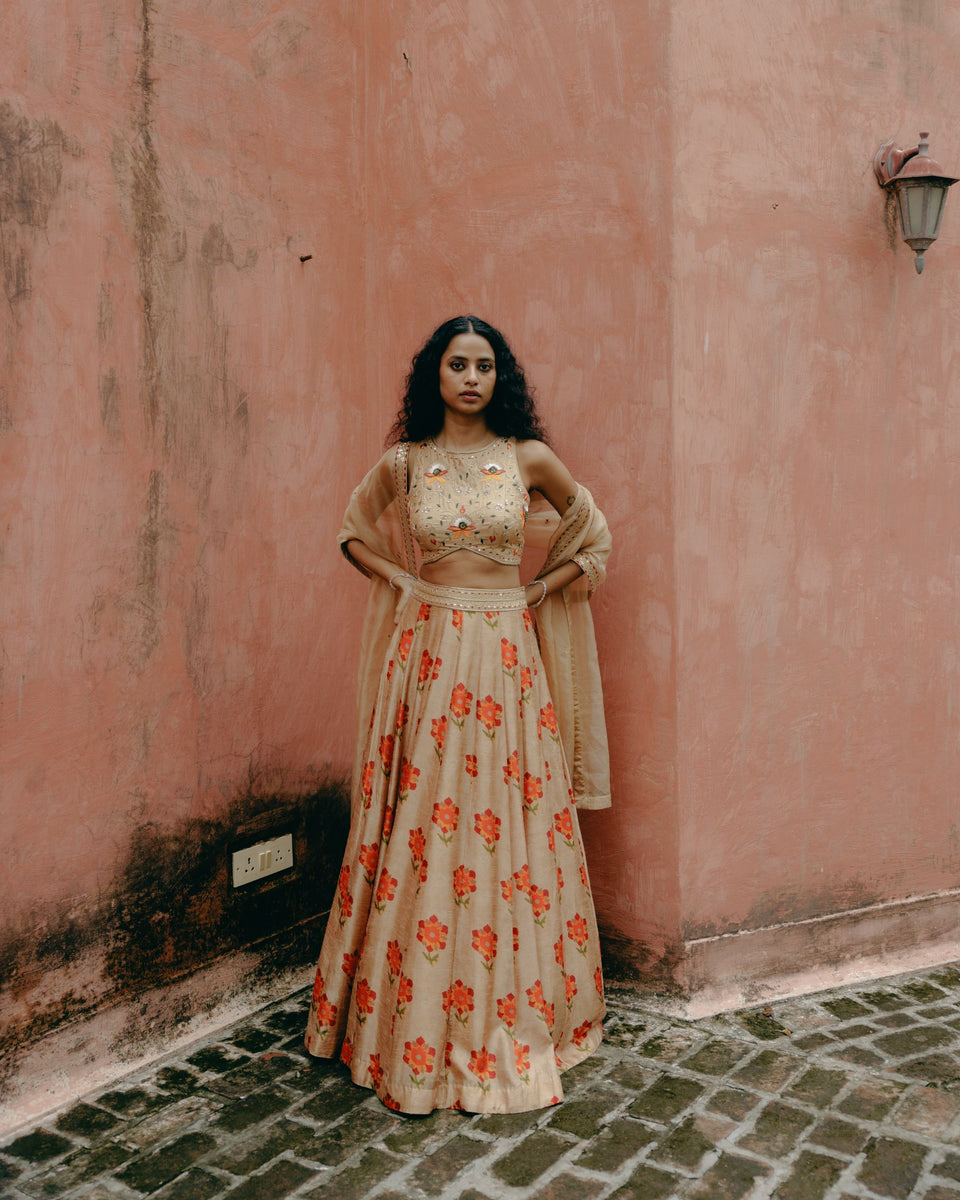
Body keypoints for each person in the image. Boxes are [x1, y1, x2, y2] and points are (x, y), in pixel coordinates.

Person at [304, 316, 612, 1114]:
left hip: (509, 654)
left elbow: (592, 533)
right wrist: (405, 585)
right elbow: (350, 532)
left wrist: (539, 591)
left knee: (505, 815)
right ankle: (415, 1022)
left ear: (498, 377)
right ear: (434, 376)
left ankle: (515, 1017)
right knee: (432, 816)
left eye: (483, 365)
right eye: (456, 364)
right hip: (434, 654)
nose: (470, 378)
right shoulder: (405, 464)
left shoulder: (528, 459)